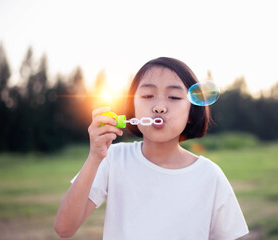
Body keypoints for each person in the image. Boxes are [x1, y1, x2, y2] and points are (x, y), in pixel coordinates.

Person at [54, 57, 249, 240]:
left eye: (173, 97)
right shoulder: (114, 159)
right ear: (133, 106)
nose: (159, 107)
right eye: (148, 95)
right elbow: (64, 228)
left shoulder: (209, 176)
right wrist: (95, 157)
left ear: (191, 112)